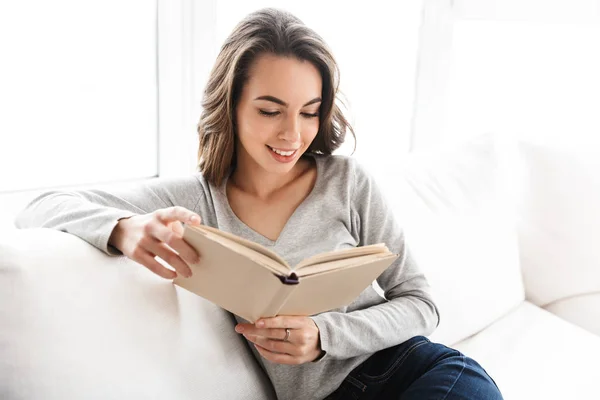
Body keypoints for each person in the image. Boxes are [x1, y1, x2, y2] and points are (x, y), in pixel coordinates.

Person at [15, 7, 503, 400]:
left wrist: (324, 335)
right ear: (230, 104)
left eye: (309, 113)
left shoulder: (347, 182)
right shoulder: (195, 197)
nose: (292, 134)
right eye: (270, 111)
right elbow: (42, 206)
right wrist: (126, 229)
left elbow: (420, 304)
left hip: (415, 372)